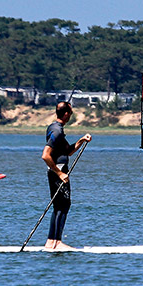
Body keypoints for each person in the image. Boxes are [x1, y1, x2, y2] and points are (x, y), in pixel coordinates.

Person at [41, 101, 92, 251]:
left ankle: (51, 242)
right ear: (66, 114)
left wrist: (82, 140)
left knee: (59, 206)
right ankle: (56, 242)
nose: (71, 115)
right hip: (59, 171)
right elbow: (45, 155)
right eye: (70, 113)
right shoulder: (57, 131)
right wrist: (60, 173)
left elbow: (68, 151)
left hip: (58, 171)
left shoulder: (54, 128)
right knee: (63, 206)